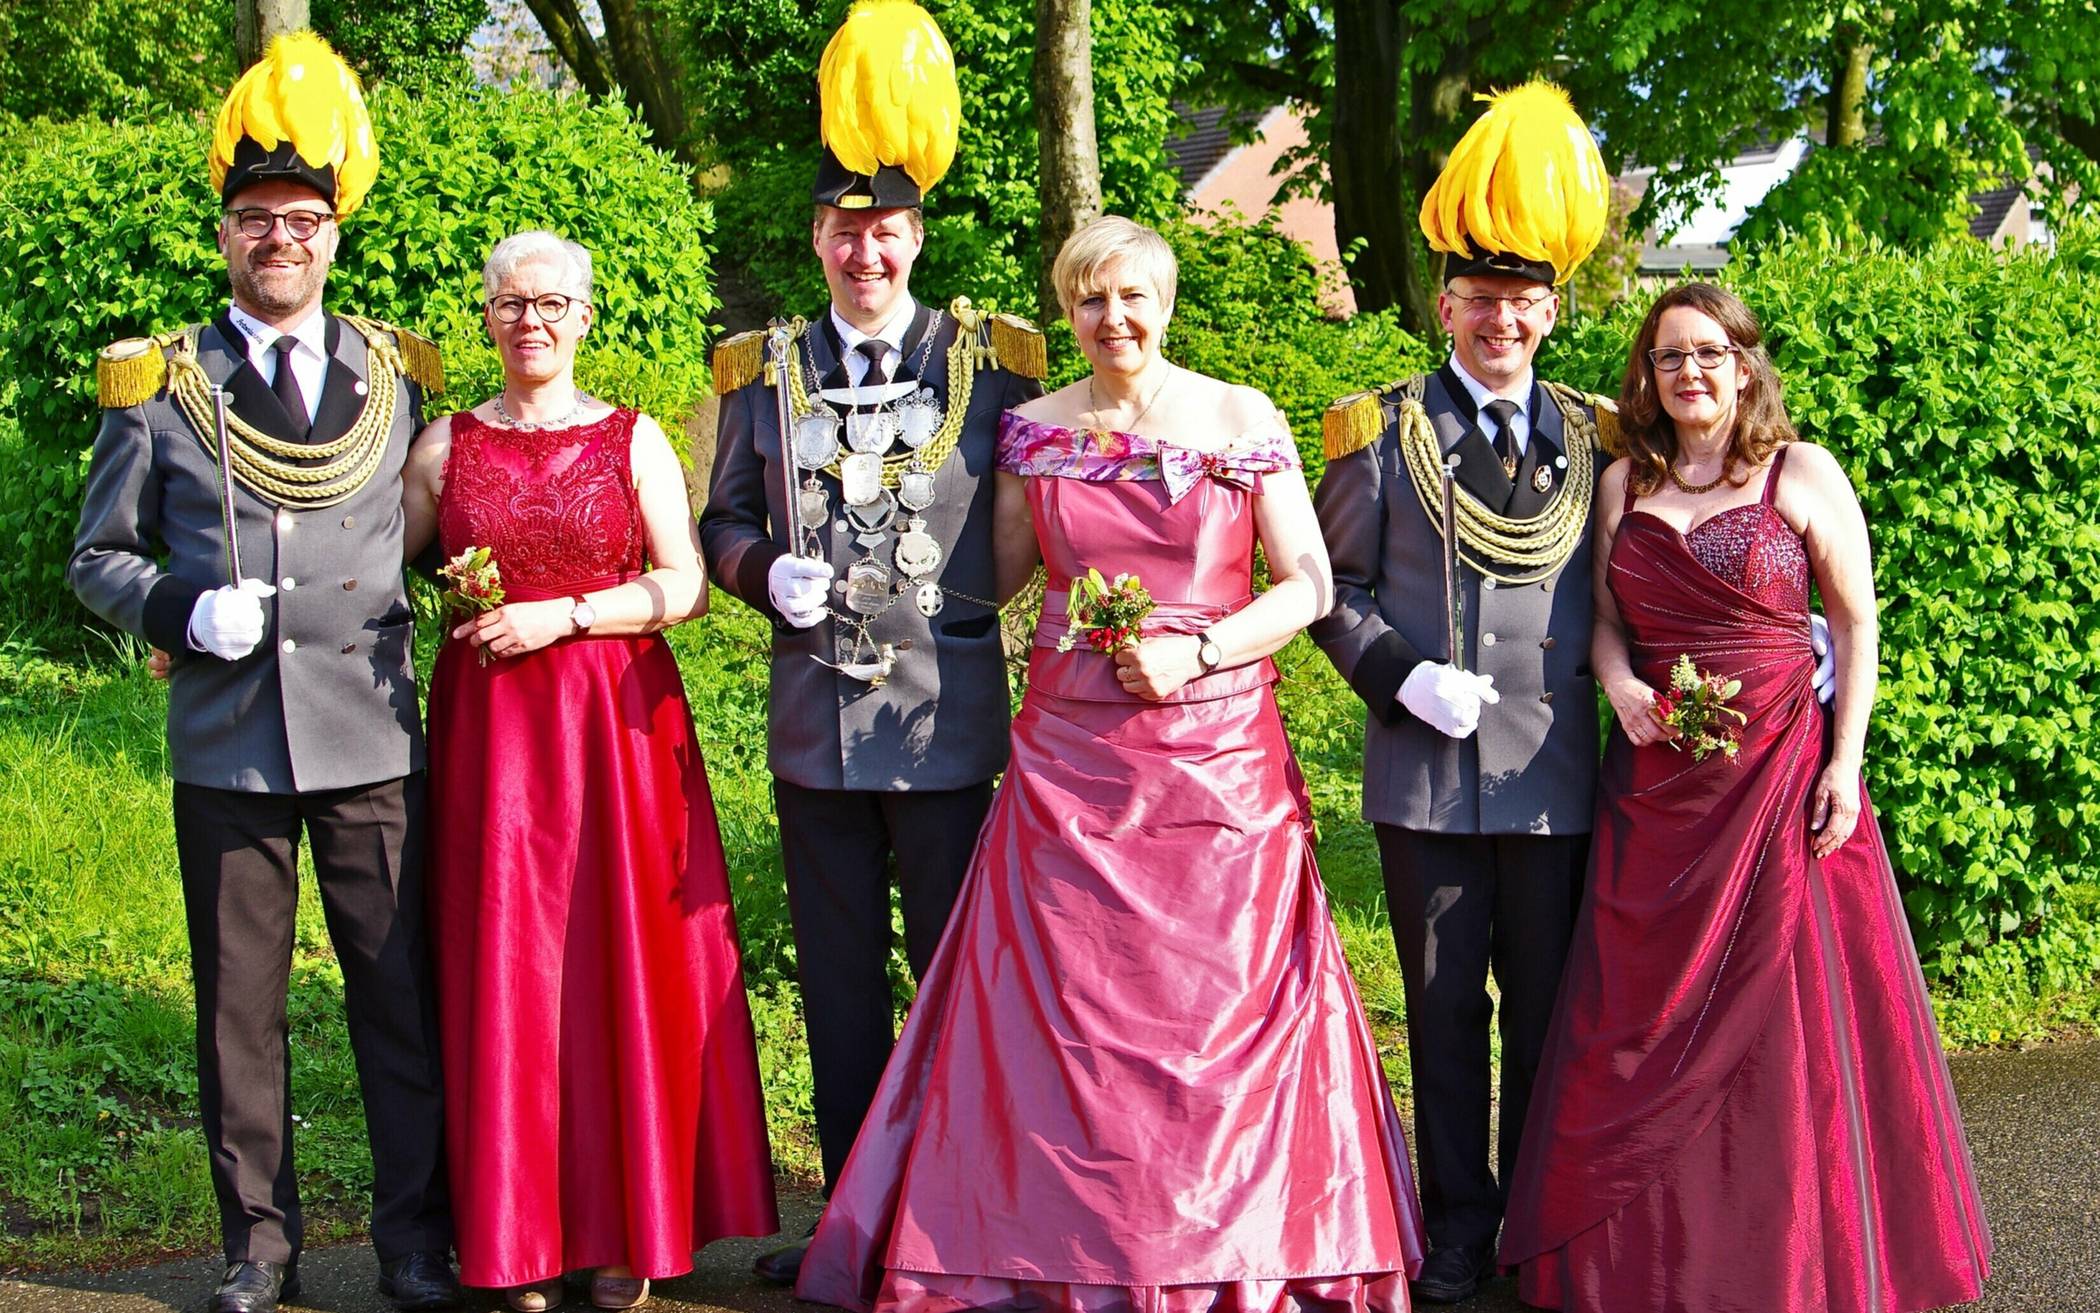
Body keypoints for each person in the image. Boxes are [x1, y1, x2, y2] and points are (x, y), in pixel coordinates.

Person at [794, 214, 1426, 1313]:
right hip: (1069, 759)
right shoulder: (1032, 431)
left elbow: (1309, 583)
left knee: (1211, 1004)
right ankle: (1043, 1244)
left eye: (1132, 296)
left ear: (1167, 302)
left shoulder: (1239, 416)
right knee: (1061, 1008)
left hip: (1216, 756)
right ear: (1067, 310)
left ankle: (1238, 1248)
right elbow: (983, 585)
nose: (1112, 318)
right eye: (1089, 298)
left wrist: (1200, 647)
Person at [1497, 282, 1992, 1312]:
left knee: (1789, 1017)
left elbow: (1855, 626)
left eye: (1709, 352)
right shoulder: (1624, 484)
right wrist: (1625, 685)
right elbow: (1602, 625)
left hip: (1780, 779)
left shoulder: (1800, 471)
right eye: (1670, 356)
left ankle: (1795, 1254)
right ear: (1647, 374)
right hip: (1657, 790)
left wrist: (1844, 763)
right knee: (1642, 1013)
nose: (1690, 372)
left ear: (1744, 362)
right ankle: (1640, 1260)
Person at [67, 34, 458, 1313]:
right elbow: (98, 557)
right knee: (242, 1011)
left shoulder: (395, 375)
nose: (278, 238)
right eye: (255, 220)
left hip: (370, 730)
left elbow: (449, 530)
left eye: (301, 218)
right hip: (232, 730)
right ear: (226, 233)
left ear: (335, 235)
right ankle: (260, 1245)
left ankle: (412, 1237)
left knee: (396, 997)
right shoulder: (162, 384)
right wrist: (181, 602)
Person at [697, 0, 1043, 1284]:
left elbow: (1041, 517)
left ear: (916, 235)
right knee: (838, 992)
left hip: (945, 720)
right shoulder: (758, 370)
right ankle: (848, 1219)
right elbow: (718, 517)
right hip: (816, 727)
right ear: (820, 240)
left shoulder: (993, 362)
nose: (867, 250)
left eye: (886, 228)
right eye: (846, 230)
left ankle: (952, 1217)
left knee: (957, 977)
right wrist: (754, 568)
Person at [402, 231, 779, 1312]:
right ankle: (519, 1236)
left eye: (553, 302)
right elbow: (374, 566)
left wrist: (561, 614)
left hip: (616, 729)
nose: (533, 320)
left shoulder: (633, 437)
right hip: (493, 737)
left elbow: (686, 583)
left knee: (621, 962)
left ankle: (627, 1228)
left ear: (584, 314)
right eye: (513, 302)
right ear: (486, 316)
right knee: (510, 969)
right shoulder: (445, 446)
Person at [1309, 83, 1617, 1307]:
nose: (1503, 319)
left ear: (1551, 309)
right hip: (1426, 776)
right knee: (1442, 1017)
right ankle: (1455, 1223)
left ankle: (1537, 1219)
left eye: (1523, 300)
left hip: (1552, 777)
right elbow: (1326, 585)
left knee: (1547, 1011)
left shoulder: (1600, 438)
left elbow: (1640, 572)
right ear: (1445, 305)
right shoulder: (1378, 432)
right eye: (1480, 299)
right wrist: (1398, 671)